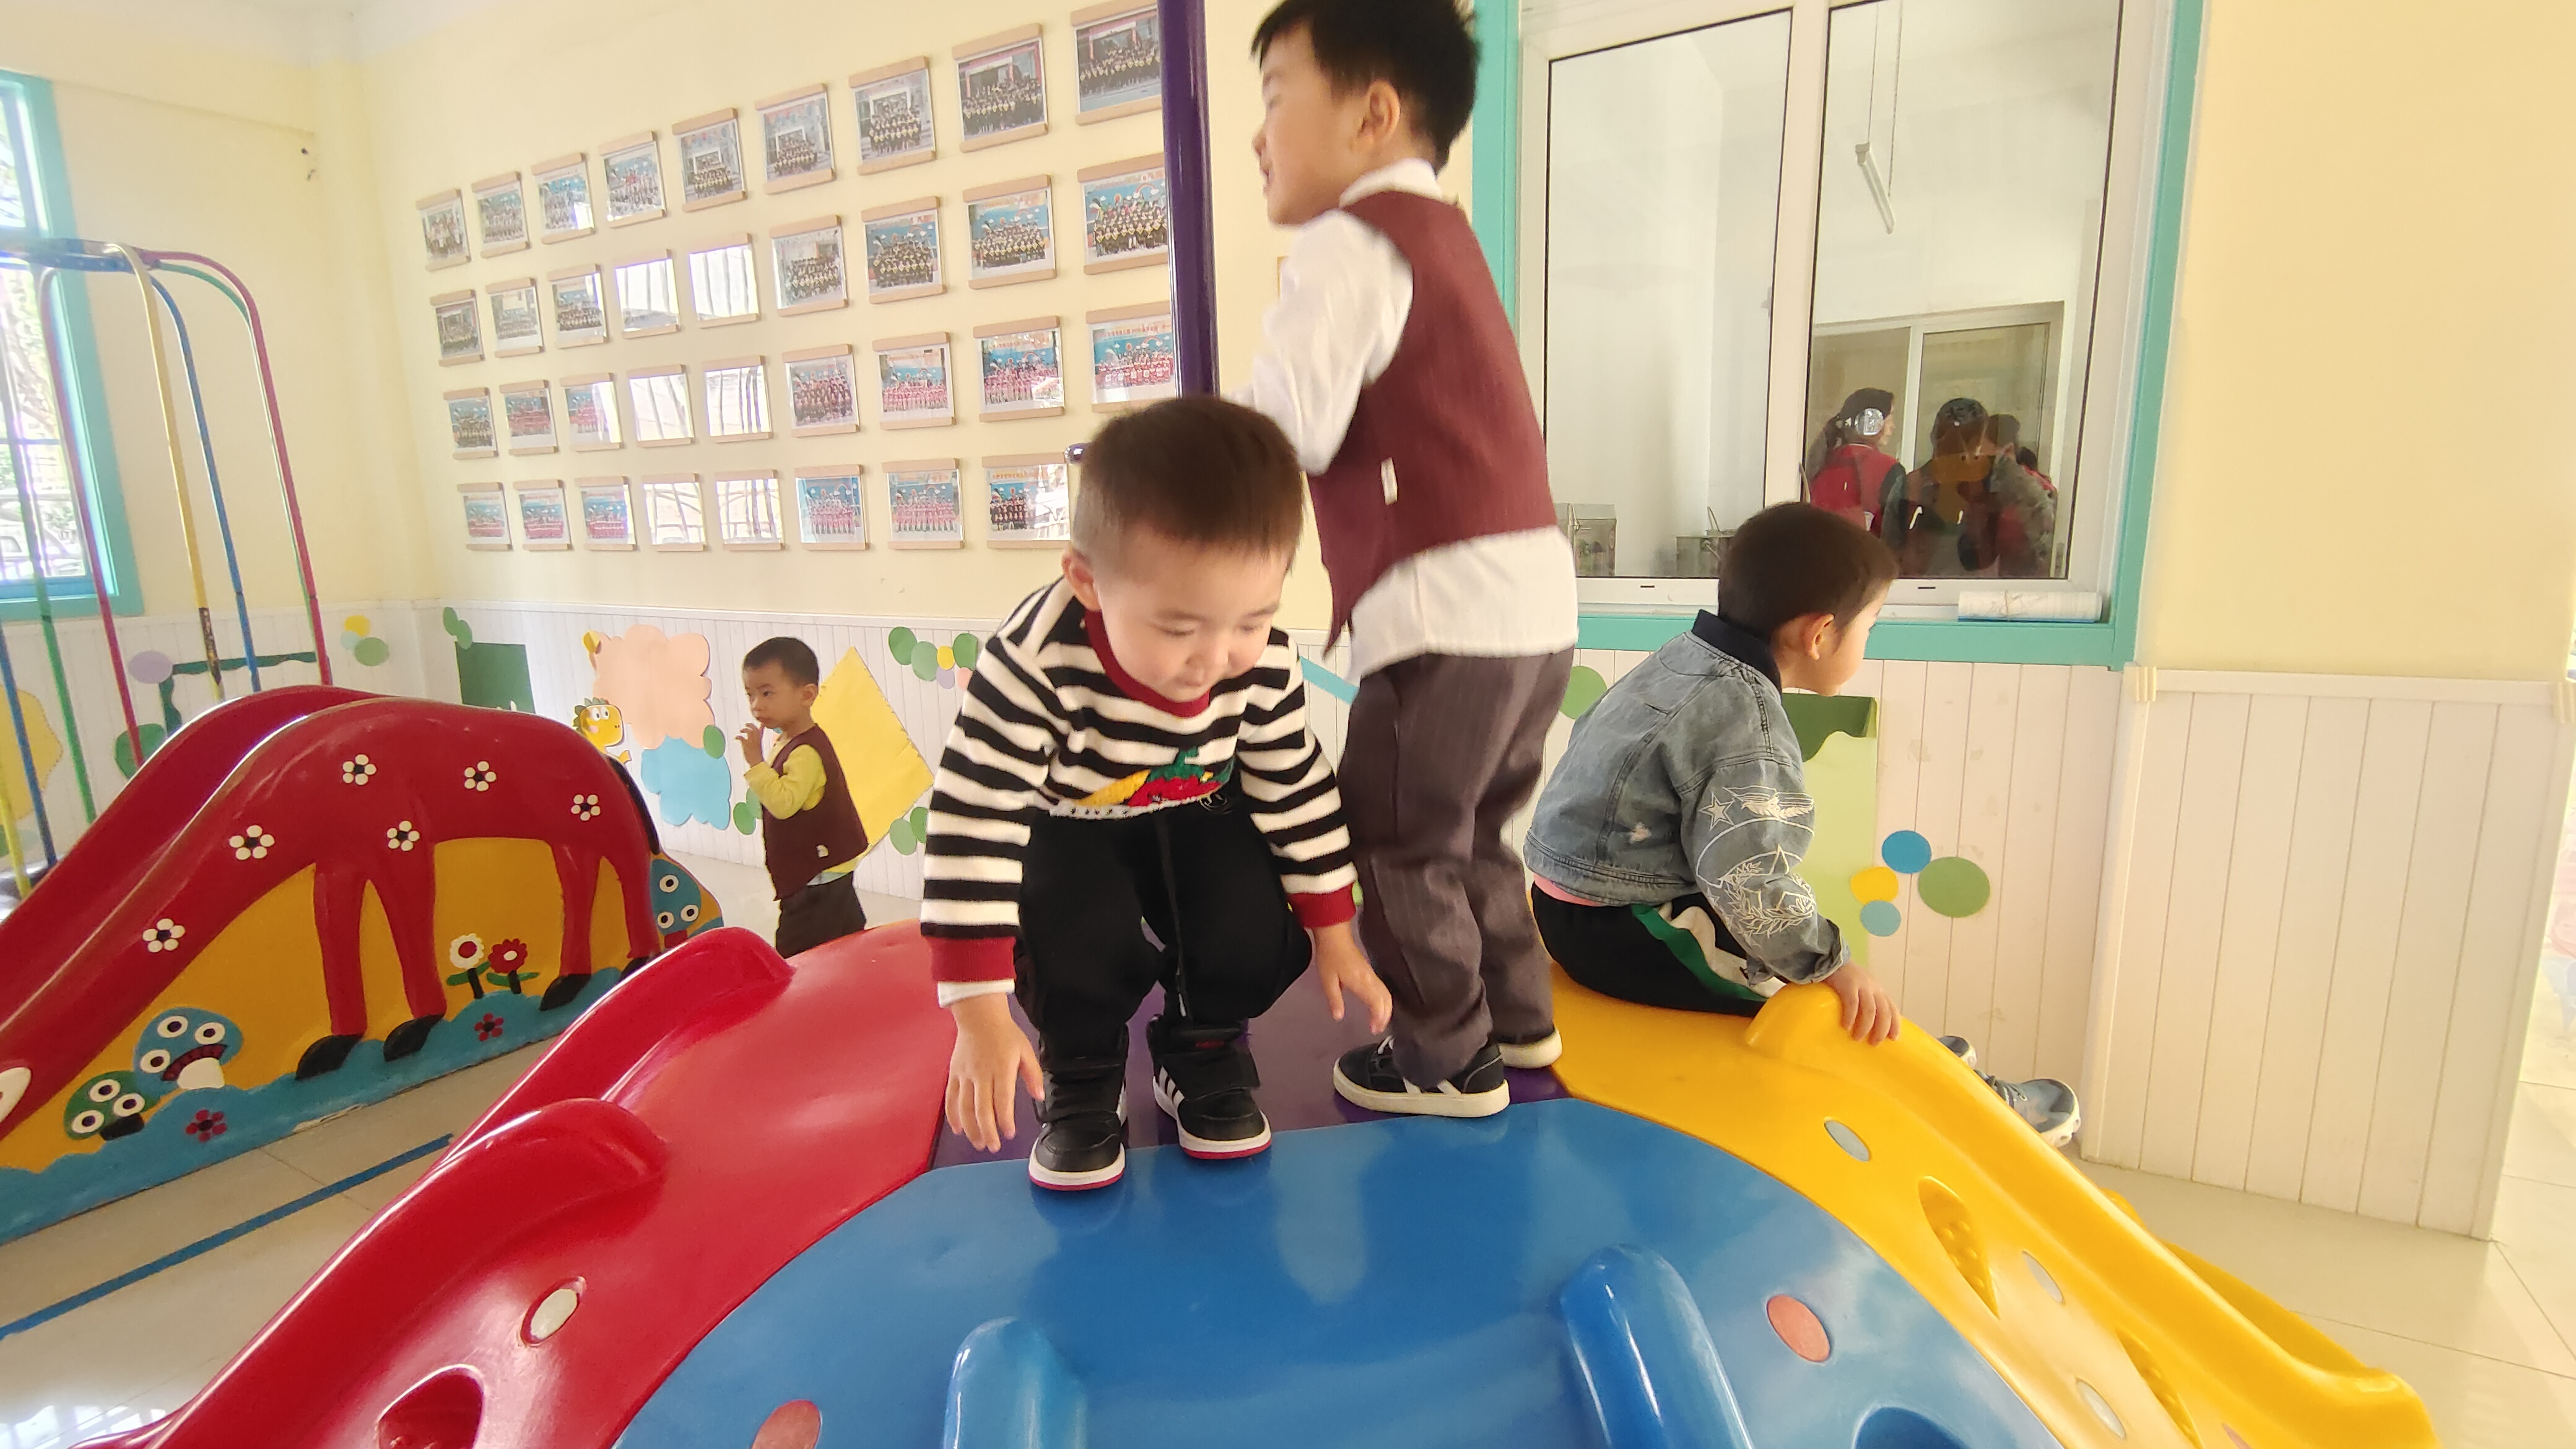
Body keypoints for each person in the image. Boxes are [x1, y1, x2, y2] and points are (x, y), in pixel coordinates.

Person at [1243, 0, 1580, 1119]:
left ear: (1373, 114)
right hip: (1533, 607)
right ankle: (1519, 1022)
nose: (1257, 136)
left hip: (1444, 607)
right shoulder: (1445, 237)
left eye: (1275, 98)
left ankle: (1445, 1056)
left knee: (1396, 837)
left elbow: (1283, 427)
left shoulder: (1351, 241)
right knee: (1478, 832)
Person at [920, 396, 1390, 1191]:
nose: (1216, 658)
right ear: (1087, 582)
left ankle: (1200, 1045)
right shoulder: (1033, 664)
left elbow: (1292, 782)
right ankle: (1082, 1068)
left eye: (1251, 619)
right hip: (1070, 814)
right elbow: (975, 820)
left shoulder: (1259, 661)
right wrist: (978, 1016)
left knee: (1246, 926)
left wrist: (1335, 931)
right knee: (1074, 935)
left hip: (1198, 804)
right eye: (1178, 629)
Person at [1521, 503, 2081, 1144]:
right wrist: (1829, 963)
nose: (1868, 642)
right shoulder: (1747, 723)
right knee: (1825, 1003)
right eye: (1869, 627)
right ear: (1819, 635)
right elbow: (1749, 879)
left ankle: (1923, 1053)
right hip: (1626, 929)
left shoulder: (1682, 658)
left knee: (1820, 979)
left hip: (1566, 904)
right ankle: (1963, 1097)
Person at [736, 638, 870, 958]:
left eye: (767, 693)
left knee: (798, 951)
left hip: (816, 873)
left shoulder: (806, 751)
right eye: (750, 695)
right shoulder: (787, 740)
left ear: (807, 695)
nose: (756, 705)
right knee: (841, 934)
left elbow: (784, 805)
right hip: (822, 868)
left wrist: (755, 764)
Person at [1802, 388, 1903, 533]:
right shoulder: (1888, 468)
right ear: (1870, 421)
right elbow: (1893, 534)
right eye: (1890, 417)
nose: (1893, 426)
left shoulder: (1821, 463)